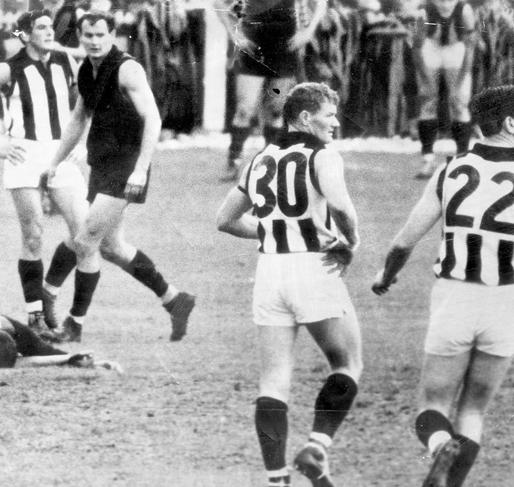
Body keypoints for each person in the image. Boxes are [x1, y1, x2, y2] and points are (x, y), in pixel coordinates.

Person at [216, 82, 362, 487]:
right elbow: (340, 205)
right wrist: (351, 242)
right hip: (313, 268)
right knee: (348, 363)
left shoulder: (261, 158)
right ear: (304, 118)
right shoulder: (323, 155)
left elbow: (224, 219)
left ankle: (277, 479)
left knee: (274, 380)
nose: (335, 123)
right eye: (329, 115)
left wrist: (268, 232)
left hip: (270, 273)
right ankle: (317, 446)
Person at [372, 85, 514, 486]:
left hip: (455, 298)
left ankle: (437, 446)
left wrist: (385, 276)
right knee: (473, 411)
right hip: (506, 303)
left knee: (431, 406)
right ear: (509, 123)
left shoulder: (451, 169)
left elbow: (404, 241)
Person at [46, 10, 195, 343]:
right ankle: (175, 300)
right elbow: (77, 119)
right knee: (112, 248)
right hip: (102, 164)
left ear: (112, 35)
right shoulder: (86, 69)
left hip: (128, 167)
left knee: (84, 241)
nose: (95, 42)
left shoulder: (127, 69)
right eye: (89, 36)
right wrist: (54, 161)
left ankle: (72, 322)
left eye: (101, 35)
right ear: (80, 37)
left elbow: (153, 120)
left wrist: (141, 169)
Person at [0, 10, 87, 340]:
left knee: (85, 231)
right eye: (40, 28)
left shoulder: (65, 63)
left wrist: (80, 143)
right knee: (33, 235)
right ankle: (35, 318)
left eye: (49, 27)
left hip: (60, 152)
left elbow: (83, 106)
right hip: (23, 153)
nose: (48, 32)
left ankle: (49, 291)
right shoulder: (8, 69)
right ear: (25, 34)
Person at [214, 0, 328, 181]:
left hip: (285, 47)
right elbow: (219, 3)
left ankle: (269, 164)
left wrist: (308, 31)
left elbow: (321, 3)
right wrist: (234, 34)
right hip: (252, 46)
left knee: (275, 110)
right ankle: (233, 161)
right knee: (245, 108)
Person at [412, 0, 477, 179]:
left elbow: (470, 46)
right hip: (431, 48)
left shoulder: (464, 10)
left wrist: (461, 79)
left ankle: (463, 159)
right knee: (427, 101)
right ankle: (427, 160)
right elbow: (417, 47)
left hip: (456, 49)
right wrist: (425, 77)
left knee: (460, 103)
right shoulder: (424, 10)